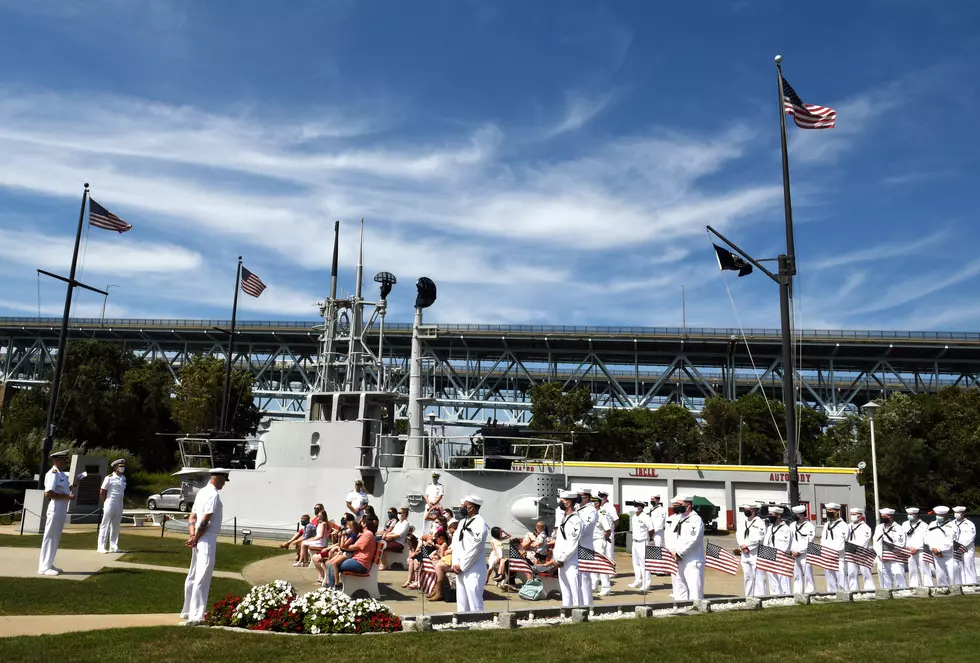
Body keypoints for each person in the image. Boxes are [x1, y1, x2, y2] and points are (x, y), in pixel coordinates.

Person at [181, 468, 229, 624]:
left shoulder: (201, 492)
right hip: (206, 538)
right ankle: (197, 613)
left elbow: (192, 516)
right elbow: (206, 519)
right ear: (218, 478)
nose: (224, 484)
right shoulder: (213, 495)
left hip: (198, 537)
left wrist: (192, 535)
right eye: (223, 481)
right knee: (203, 575)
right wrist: (196, 537)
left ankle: (187, 610)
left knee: (193, 574)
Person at [37, 450, 77, 576]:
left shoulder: (61, 475)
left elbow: (63, 490)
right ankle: (43, 567)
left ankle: (49, 563)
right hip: (55, 507)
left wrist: (72, 487)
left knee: (55, 537)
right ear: (57, 461)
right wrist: (67, 496)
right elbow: (48, 493)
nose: (66, 463)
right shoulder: (53, 473)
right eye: (64, 460)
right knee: (50, 537)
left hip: (61, 507)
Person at [451, 495, 489, 613]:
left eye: (464, 506)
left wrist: (463, 565)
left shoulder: (479, 524)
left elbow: (475, 548)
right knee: (462, 603)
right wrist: (455, 563)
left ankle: (478, 625)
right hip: (460, 568)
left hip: (473, 569)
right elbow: (455, 543)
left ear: (471, 508)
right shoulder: (462, 522)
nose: (461, 508)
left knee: (475, 603)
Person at [664, 494, 705, 601]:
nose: (677, 506)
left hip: (692, 559)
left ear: (688, 505)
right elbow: (670, 536)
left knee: (694, 590)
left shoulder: (695, 519)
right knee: (679, 588)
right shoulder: (677, 518)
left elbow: (692, 539)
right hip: (677, 558)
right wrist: (672, 551)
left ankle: (697, 612)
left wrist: (679, 553)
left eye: (680, 504)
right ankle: (681, 608)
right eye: (677, 504)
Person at [325, 516, 379, 590]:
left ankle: (333, 588)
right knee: (332, 565)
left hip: (361, 563)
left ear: (365, 524)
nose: (360, 523)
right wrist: (343, 547)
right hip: (358, 560)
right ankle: (332, 587)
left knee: (333, 565)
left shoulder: (368, 534)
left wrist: (343, 547)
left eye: (361, 521)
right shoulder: (365, 534)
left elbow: (354, 547)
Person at [550, 490, 583, 607]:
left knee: (575, 591)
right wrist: (556, 557)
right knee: (565, 591)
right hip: (561, 560)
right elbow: (560, 541)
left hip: (570, 561)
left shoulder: (575, 520)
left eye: (562, 501)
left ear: (568, 503)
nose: (560, 503)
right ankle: (566, 611)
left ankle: (578, 612)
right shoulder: (564, 517)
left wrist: (561, 559)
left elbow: (572, 544)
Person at [97, 459, 127, 554]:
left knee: (116, 525)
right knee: (105, 524)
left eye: (123, 466)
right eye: (120, 466)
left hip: (119, 502)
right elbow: (102, 491)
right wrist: (105, 502)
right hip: (110, 502)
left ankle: (114, 546)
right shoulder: (109, 477)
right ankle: (101, 546)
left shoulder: (123, 478)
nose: (122, 468)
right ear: (115, 467)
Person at [873, 507, 907, 589]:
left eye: (885, 517)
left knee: (898, 574)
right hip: (882, 557)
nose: (883, 518)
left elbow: (900, 543)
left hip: (895, 557)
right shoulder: (879, 527)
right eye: (882, 517)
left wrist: (890, 554)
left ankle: (902, 591)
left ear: (891, 516)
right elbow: (876, 542)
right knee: (884, 577)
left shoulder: (899, 528)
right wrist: (881, 554)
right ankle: (887, 593)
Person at [735, 503, 765, 597]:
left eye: (746, 509)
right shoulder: (742, 521)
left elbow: (760, 537)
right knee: (747, 577)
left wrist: (747, 546)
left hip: (755, 553)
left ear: (753, 510)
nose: (745, 511)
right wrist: (742, 546)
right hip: (744, 553)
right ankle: (749, 597)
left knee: (759, 577)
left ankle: (760, 597)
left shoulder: (760, 522)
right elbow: (738, 534)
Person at [575, 487, 598, 606]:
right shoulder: (578, 508)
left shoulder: (591, 510)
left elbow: (585, 527)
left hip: (586, 547)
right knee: (578, 578)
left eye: (581, 495)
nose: (578, 497)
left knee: (585, 578)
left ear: (587, 497)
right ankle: (579, 603)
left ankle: (588, 605)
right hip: (577, 546)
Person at [764, 506, 792, 595]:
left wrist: (778, 555)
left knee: (784, 581)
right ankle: (774, 597)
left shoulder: (786, 529)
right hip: (770, 557)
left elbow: (787, 545)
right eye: (769, 514)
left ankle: (787, 597)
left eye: (771, 515)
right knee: (773, 581)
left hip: (781, 558)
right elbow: (766, 542)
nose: (769, 516)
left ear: (778, 515)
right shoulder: (769, 528)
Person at [927, 505, 959, 586]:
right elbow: (927, 537)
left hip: (950, 555)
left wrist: (939, 549)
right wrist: (933, 549)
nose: (938, 517)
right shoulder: (932, 524)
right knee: (940, 576)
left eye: (941, 515)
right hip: (936, 554)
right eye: (937, 515)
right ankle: (943, 592)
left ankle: (957, 593)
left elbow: (952, 540)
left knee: (953, 576)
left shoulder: (952, 525)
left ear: (946, 515)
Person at [846, 508, 875, 590]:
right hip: (851, 553)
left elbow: (865, 541)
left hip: (863, 553)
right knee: (851, 573)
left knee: (866, 573)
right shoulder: (848, 526)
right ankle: (853, 590)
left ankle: (870, 590)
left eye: (855, 514)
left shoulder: (866, 528)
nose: (853, 516)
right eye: (852, 514)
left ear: (860, 515)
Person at [820, 503, 847, 592]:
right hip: (827, 555)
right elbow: (823, 539)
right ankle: (832, 594)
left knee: (841, 578)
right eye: (828, 510)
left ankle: (844, 594)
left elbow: (844, 541)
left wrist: (834, 552)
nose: (829, 512)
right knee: (829, 578)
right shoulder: (827, 524)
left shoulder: (844, 525)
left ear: (837, 511)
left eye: (831, 510)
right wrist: (824, 551)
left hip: (838, 556)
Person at [789, 505, 815, 594]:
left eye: (798, 515)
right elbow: (791, 539)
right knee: (796, 575)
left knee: (808, 574)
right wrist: (792, 550)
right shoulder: (792, 525)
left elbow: (809, 541)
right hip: (794, 553)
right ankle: (797, 592)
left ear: (803, 515)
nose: (796, 516)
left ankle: (809, 592)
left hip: (805, 554)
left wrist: (800, 551)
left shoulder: (809, 526)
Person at [903, 507, 932, 588]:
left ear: (916, 515)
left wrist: (917, 547)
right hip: (909, 550)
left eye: (911, 514)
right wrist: (909, 547)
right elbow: (904, 538)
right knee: (912, 570)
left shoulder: (924, 525)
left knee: (924, 570)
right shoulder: (905, 524)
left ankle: (927, 586)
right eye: (908, 514)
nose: (909, 516)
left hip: (921, 550)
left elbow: (926, 538)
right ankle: (914, 587)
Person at [592, 495, 614, 596]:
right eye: (593, 502)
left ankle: (606, 588)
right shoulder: (592, 513)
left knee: (601, 564)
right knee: (593, 564)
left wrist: (604, 539)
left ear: (600, 503)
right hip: (591, 541)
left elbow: (608, 529)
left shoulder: (602, 513)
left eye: (596, 502)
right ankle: (594, 585)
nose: (594, 503)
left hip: (599, 540)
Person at [629, 501, 653, 590]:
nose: (635, 507)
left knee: (644, 563)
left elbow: (651, 529)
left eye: (637, 506)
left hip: (643, 542)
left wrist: (651, 539)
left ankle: (646, 583)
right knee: (635, 562)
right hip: (635, 542)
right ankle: (638, 580)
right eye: (635, 505)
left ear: (641, 507)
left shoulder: (646, 517)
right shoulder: (634, 516)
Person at [953, 506, 976, 584]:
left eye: (958, 513)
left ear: (963, 513)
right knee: (958, 567)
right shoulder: (952, 523)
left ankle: (972, 584)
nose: (956, 514)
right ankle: (961, 584)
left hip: (967, 549)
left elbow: (971, 537)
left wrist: (962, 546)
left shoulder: (969, 524)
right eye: (955, 512)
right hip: (955, 548)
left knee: (968, 566)